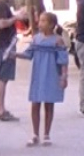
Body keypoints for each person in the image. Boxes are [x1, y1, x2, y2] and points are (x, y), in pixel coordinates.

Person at [17, 12, 69, 147]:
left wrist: (63, 76)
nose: (40, 23)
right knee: (35, 103)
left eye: (44, 21)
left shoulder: (58, 40)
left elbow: (63, 60)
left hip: (51, 74)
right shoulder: (36, 39)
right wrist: (14, 55)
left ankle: (46, 134)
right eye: (39, 21)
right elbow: (28, 54)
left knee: (49, 104)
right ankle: (35, 134)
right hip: (38, 74)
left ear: (52, 25)